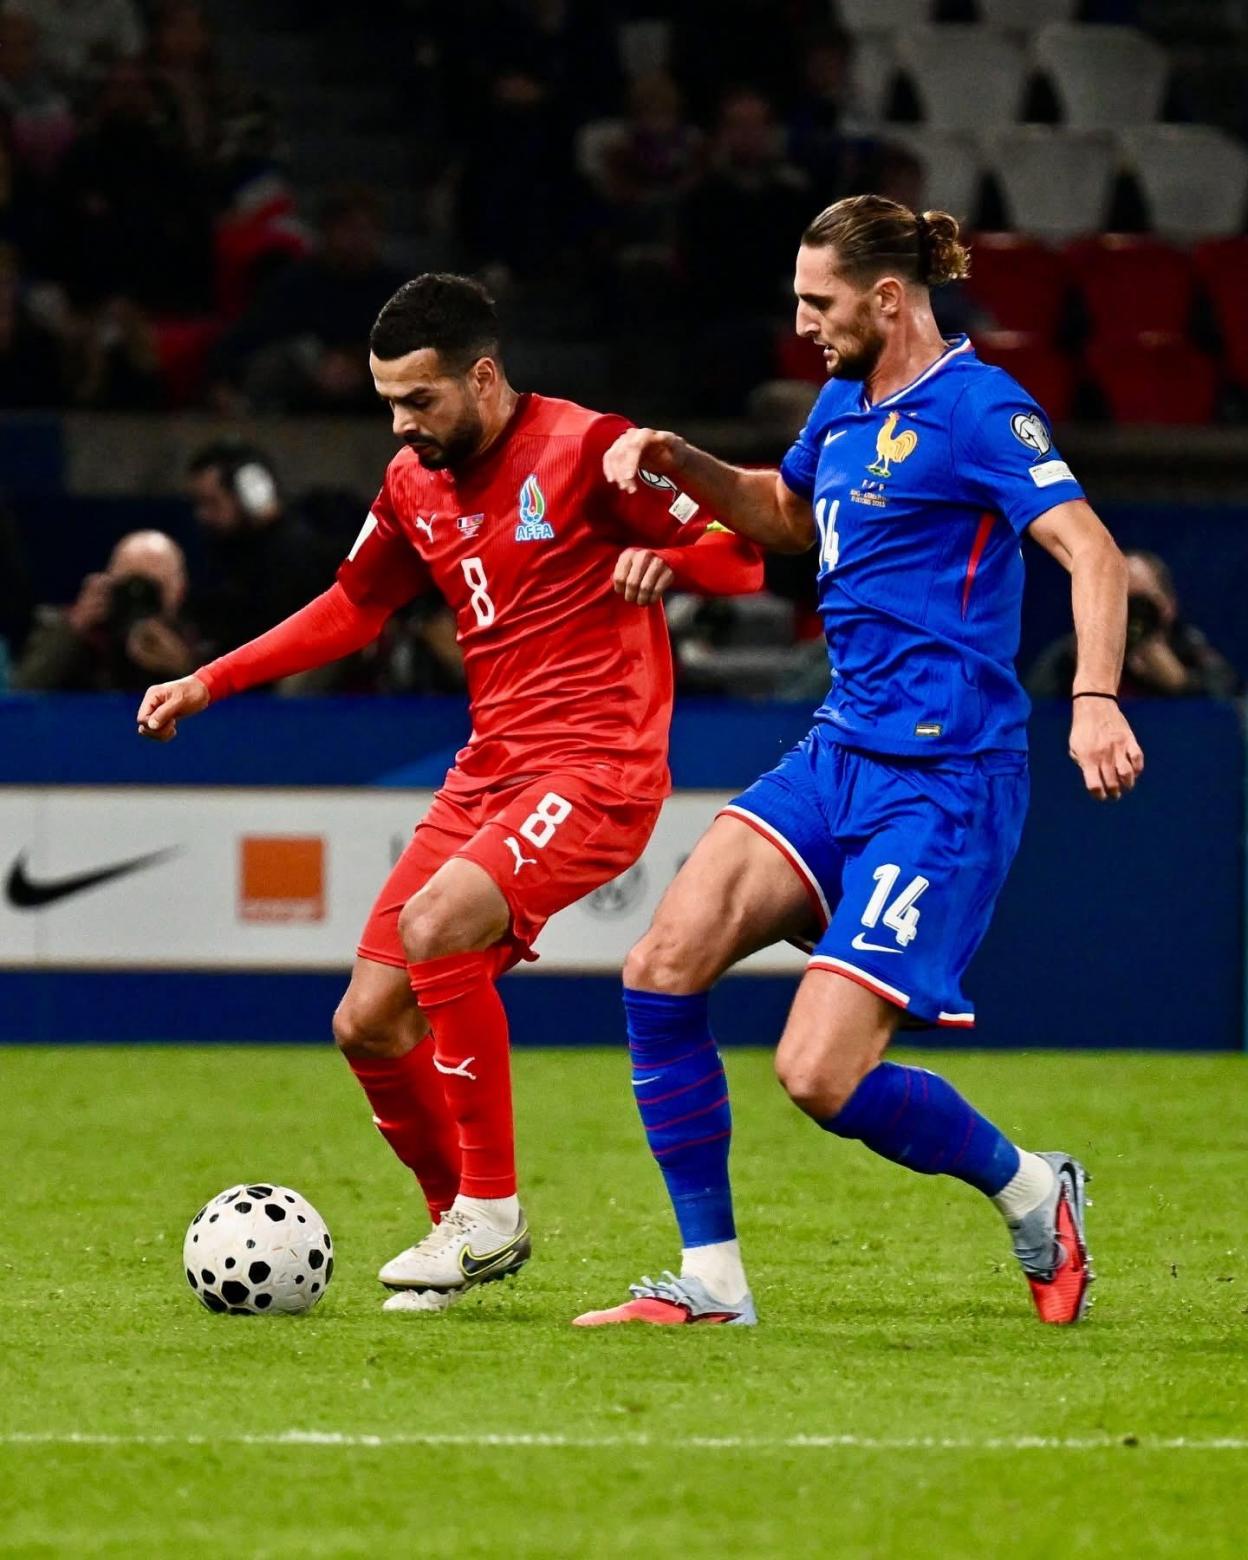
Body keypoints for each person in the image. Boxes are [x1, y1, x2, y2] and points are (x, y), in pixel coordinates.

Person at [136, 273, 762, 1313]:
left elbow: (740, 555)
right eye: (388, 401)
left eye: (419, 400)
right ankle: (459, 1231)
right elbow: (353, 607)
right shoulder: (411, 481)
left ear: (483, 376)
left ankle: (490, 1210)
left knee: (436, 925)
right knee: (368, 1023)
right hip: (487, 772)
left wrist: (674, 564)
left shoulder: (587, 449)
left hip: (597, 766)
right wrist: (212, 680)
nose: (401, 423)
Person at [575, 196, 1144, 1332]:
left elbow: (1092, 553)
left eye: (818, 301)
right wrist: (681, 461)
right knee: (661, 965)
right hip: (840, 751)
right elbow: (784, 515)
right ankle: (714, 1283)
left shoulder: (980, 410)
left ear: (887, 297)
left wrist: (1093, 700)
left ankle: (1033, 1190)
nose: (802, 323)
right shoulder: (842, 402)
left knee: (817, 1074)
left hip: (946, 781)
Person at [185, 441, 337, 665]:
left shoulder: (297, 556)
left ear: (253, 493)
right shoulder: (227, 548)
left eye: (212, 502)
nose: (202, 515)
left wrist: (188, 665)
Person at [1028, 549, 1239, 699]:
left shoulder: (1188, 646)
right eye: (1116, 600)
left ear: (1168, 605)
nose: (1129, 613)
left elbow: (1234, 705)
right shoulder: (1072, 654)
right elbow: (1032, 709)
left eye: (1140, 601)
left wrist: (1181, 684)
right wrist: (1076, 668)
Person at [14, 529, 195, 691]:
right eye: (129, 586)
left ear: (180, 589)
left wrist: (183, 669)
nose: (138, 598)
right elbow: (21, 697)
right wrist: (74, 629)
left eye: (151, 588)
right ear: (109, 583)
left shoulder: (199, 638)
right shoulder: (76, 632)